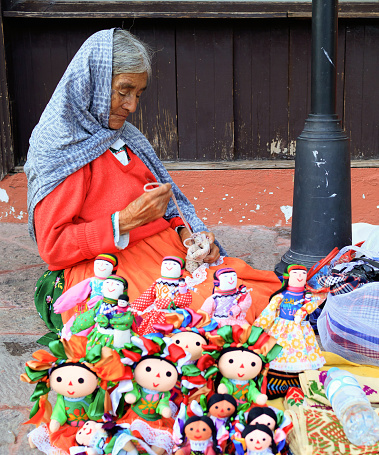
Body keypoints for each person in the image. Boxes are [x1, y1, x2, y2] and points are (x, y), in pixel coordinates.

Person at [25, 28, 280, 331]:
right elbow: (53, 246)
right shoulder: (61, 146)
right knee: (190, 324)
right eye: (123, 91)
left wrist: (190, 237)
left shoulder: (127, 136)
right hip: (110, 267)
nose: (131, 106)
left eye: (138, 94)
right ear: (90, 83)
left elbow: (170, 210)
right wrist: (122, 221)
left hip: (167, 254)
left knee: (252, 295)